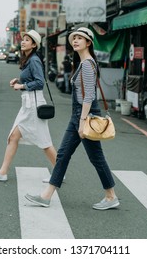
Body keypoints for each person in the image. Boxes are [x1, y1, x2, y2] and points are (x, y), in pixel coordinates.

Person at [25, 27, 119, 210]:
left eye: (80, 38)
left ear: (89, 42)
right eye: (73, 38)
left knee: (96, 158)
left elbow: (89, 96)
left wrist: (82, 122)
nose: (75, 41)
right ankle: (47, 195)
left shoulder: (87, 64)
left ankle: (111, 196)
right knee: (63, 155)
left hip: (85, 115)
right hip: (78, 115)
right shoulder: (84, 62)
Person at [0, 30, 57, 182]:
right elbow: (31, 77)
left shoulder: (34, 60)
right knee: (14, 137)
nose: (23, 42)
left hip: (33, 104)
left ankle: (59, 172)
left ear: (34, 44)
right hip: (28, 104)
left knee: (44, 142)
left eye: (27, 40)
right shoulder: (29, 59)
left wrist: (21, 86)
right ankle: (2, 172)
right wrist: (18, 81)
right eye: (23, 39)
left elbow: (40, 82)